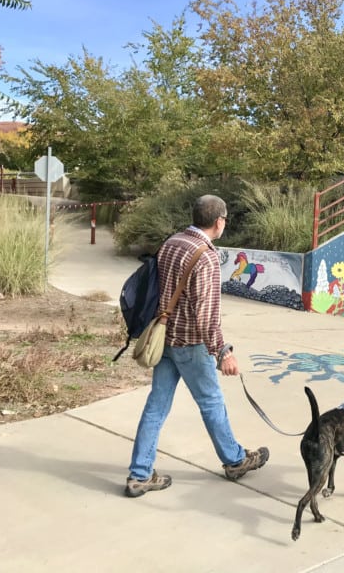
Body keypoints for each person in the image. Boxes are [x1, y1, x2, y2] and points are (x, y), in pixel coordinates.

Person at [125, 194, 269, 498]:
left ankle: (139, 475)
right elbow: (206, 313)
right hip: (190, 344)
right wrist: (222, 351)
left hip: (164, 337)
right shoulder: (206, 256)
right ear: (219, 221)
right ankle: (235, 461)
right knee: (211, 401)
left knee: (156, 405)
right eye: (225, 219)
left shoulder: (172, 242)